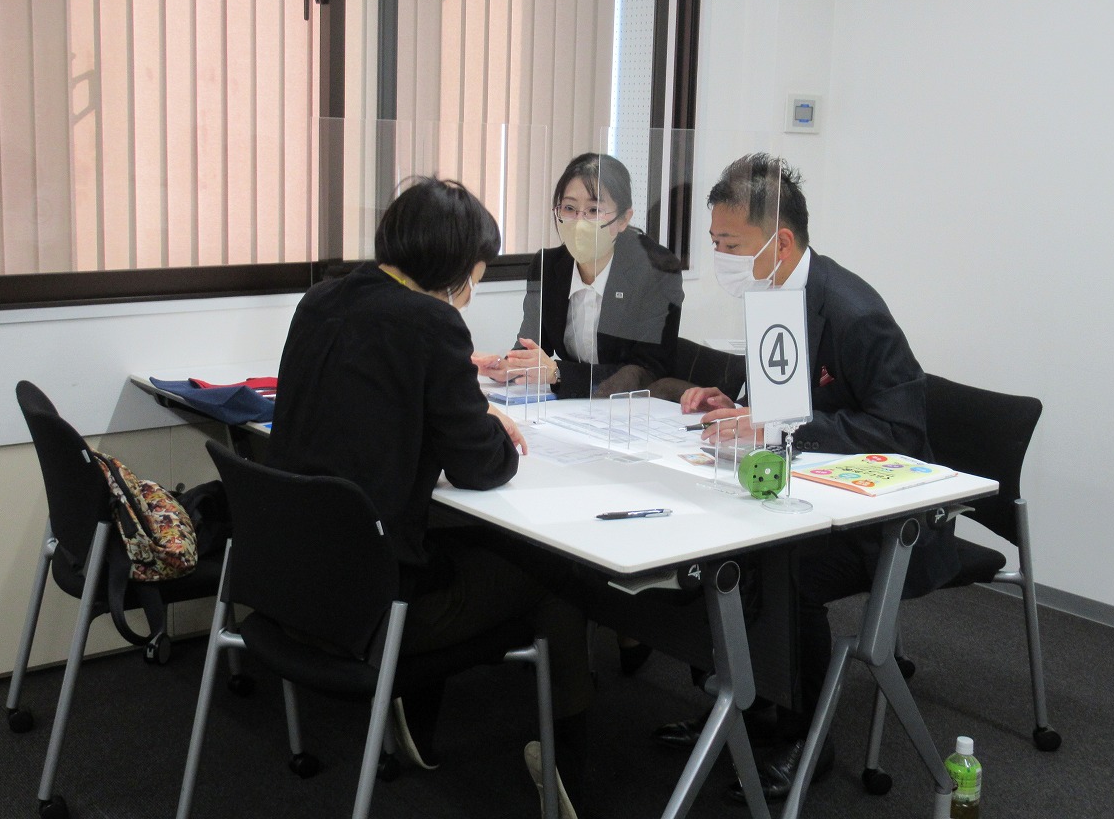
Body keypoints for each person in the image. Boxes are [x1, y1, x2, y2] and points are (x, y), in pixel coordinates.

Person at [267, 176, 592, 818]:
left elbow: (363, 394)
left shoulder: (322, 299)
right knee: (559, 578)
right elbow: (482, 468)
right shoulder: (432, 322)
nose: (471, 292)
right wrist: (489, 422)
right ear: (454, 268)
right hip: (370, 608)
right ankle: (570, 771)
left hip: (291, 583)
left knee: (450, 543)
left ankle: (416, 721)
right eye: (474, 277)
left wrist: (452, 394)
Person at [651, 154, 956, 804]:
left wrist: (780, 426)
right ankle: (743, 706)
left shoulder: (853, 312)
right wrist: (732, 404)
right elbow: (780, 399)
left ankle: (805, 738)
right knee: (716, 549)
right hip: (802, 489)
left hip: (882, 516)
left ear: (780, 242)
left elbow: (900, 433)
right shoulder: (772, 292)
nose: (720, 259)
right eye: (715, 243)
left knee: (783, 572)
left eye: (730, 245)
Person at [474, 153, 684, 400]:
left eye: (594, 210)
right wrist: (509, 366)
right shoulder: (548, 266)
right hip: (575, 406)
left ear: (623, 219)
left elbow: (648, 372)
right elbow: (533, 345)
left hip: (633, 408)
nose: (579, 222)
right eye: (569, 208)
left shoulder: (657, 271)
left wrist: (558, 373)